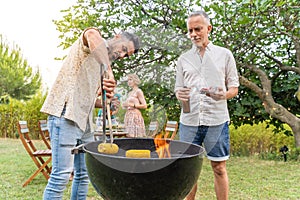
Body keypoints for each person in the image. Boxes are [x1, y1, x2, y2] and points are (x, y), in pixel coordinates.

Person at [41, 27, 140, 200]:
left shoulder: (101, 65)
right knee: (61, 176)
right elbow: (91, 35)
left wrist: (105, 103)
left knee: (84, 174)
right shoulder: (93, 43)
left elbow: (86, 99)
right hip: (65, 115)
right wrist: (109, 70)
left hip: (84, 122)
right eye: (124, 49)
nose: (122, 55)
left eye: (127, 55)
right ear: (117, 37)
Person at [175, 11, 239, 200]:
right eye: (190, 30)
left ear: (208, 29)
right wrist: (180, 94)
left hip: (216, 121)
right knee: (189, 169)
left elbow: (234, 88)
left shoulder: (224, 55)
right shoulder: (183, 59)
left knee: (219, 168)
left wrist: (223, 95)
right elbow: (178, 89)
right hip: (189, 121)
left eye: (198, 29)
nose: (193, 34)